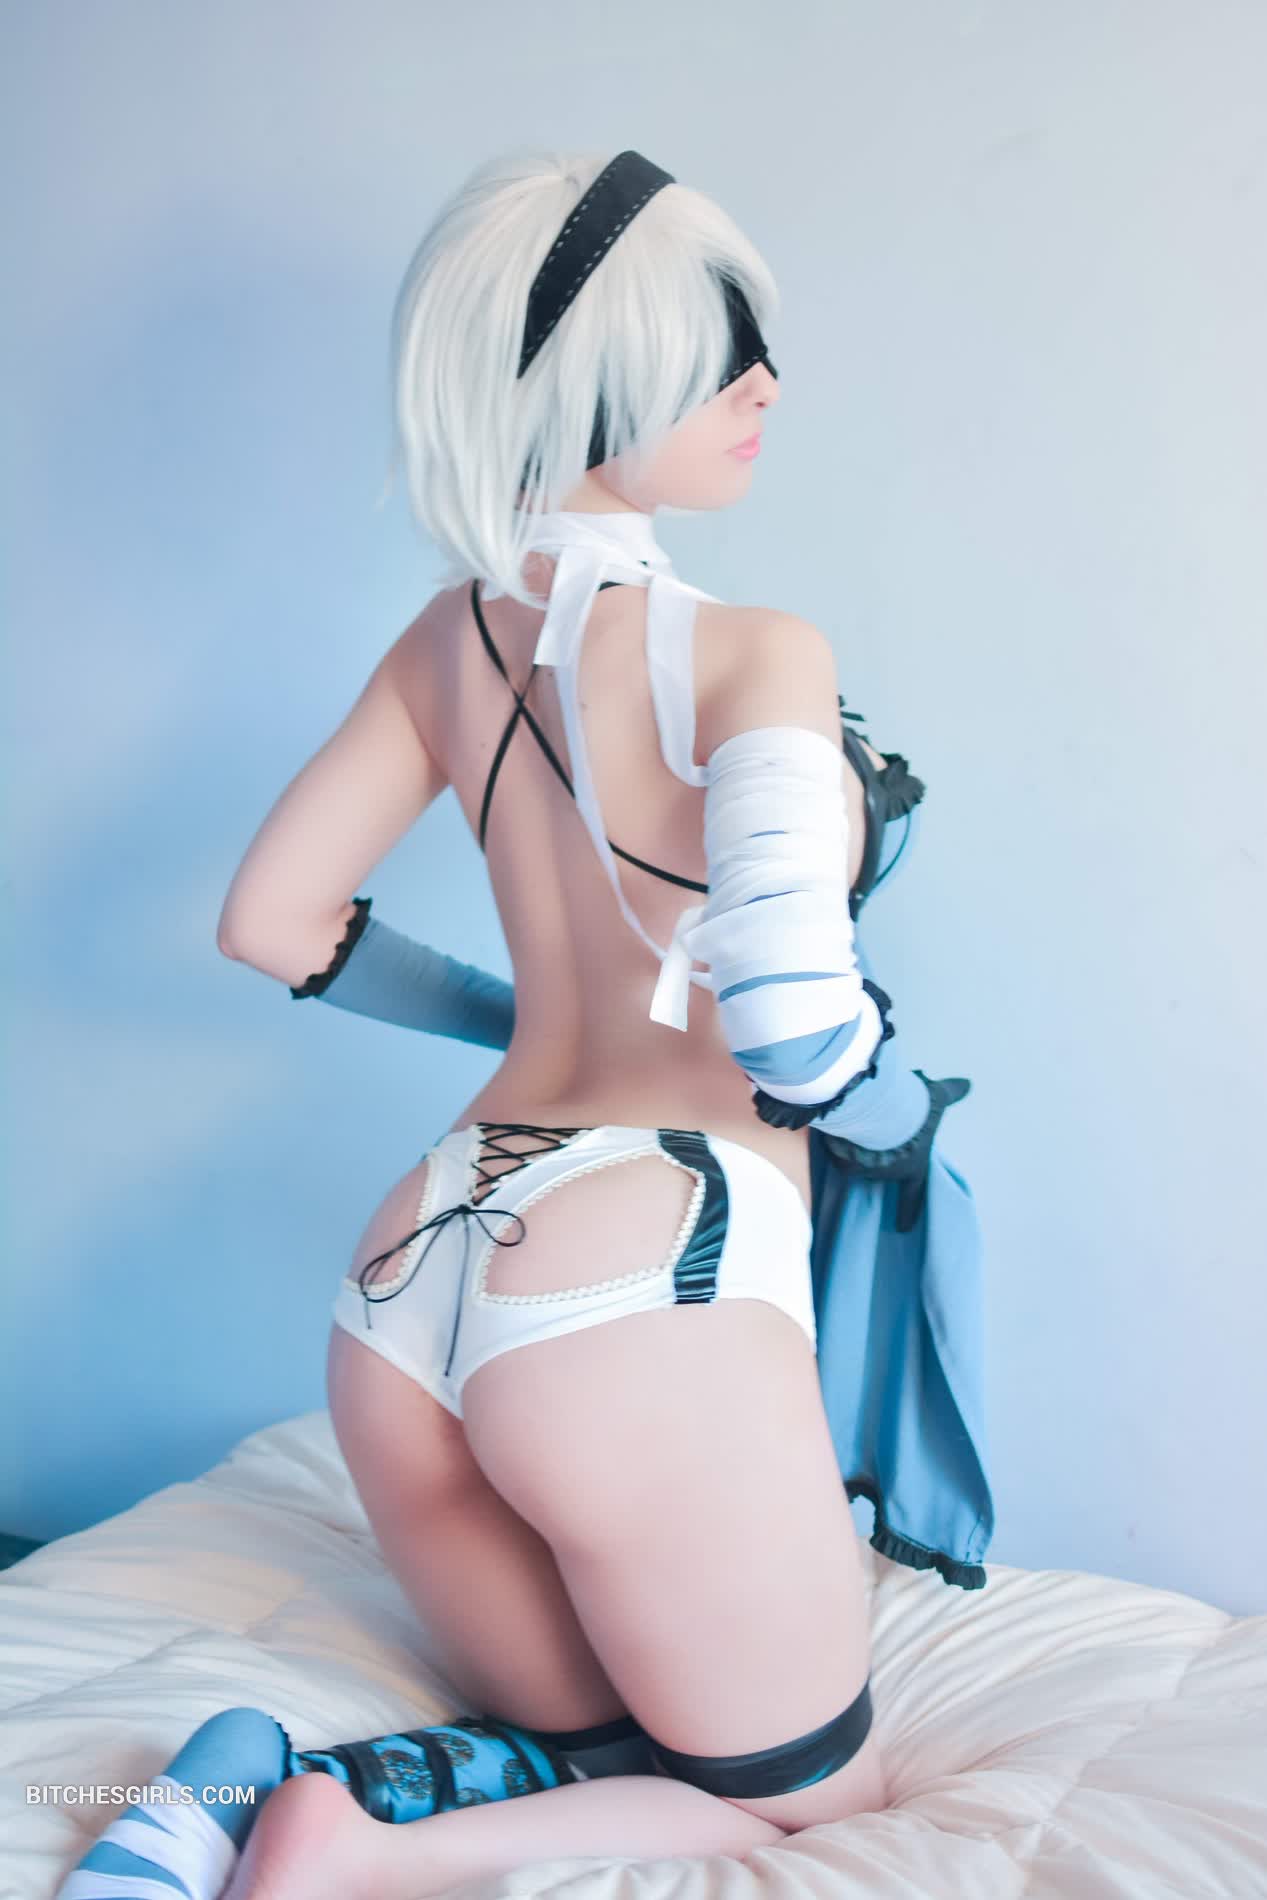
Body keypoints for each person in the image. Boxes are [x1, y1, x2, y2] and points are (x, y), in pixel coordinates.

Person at [59, 148, 990, 1900]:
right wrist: (898, 1123)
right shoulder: (759, 652)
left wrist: (531, 1014)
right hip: (645, 1268)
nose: (765, 385)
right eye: (717, 354)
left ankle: (240, 1793)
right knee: (814, 1802)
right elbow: (796, 1023)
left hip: (421, 1255)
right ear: (589, 388)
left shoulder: (445, 645)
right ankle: (341, 1864)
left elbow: (270, 923)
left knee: (619, 1744)